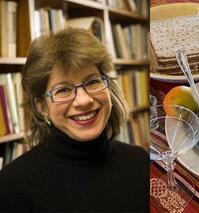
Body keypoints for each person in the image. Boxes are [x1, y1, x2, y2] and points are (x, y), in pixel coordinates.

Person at [0, 28, 149, 212]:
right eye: (63, 90)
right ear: (42, 107)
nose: (84, 100)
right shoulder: (12, 186)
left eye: (93, 81)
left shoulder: (140, 161)